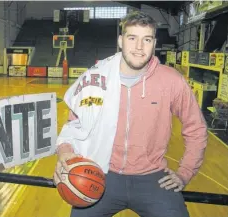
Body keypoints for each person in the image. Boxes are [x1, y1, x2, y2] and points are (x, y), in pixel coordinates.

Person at [53, 11, 208, 217]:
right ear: (120, 40)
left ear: (154, 43)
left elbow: (196, 129)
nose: (139, 47)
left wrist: (185, 173)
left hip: (152, 178)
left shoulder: (172, 81)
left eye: (147, 39)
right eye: (132, 38)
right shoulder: (96, 77)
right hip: (102, 173)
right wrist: (65, 152)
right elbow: (74, 124)